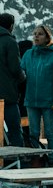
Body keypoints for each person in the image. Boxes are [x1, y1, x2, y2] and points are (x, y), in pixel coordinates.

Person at [21, 24, 53, 165]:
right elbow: (20, 74)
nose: (36, 36)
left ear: (47, 37)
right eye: (34, 33)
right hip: (31, 101)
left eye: (40, 34)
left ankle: (52, 161)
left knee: (50, 132)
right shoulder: (28, 55)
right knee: (33, 133)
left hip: (49, 102)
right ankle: (36, 161)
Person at [0, 12, 22, 148]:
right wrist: (23, 78)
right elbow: (15, 68)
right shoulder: (10, 41)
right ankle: (18, 163)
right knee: (14, 130)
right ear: (11, 26)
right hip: (7, 95)